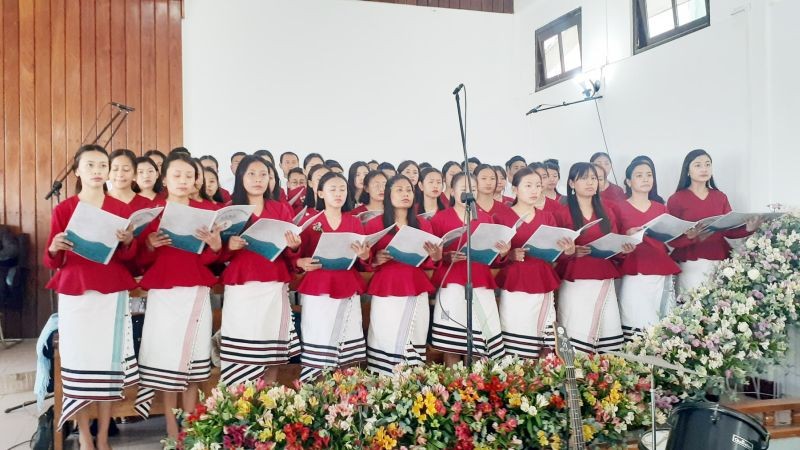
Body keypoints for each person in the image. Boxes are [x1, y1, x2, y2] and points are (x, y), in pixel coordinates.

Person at [45, 144, 139, 448]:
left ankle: (102, 436)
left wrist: (127, 242)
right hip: (76, 293)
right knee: (79, 365)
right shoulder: (64, 209)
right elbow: (52, 260)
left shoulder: (121, 209)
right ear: (78, 171)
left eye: (102, 165)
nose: (98, 171)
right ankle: (85, 436)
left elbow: (131, 258)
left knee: (108, 366)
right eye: (91, 165)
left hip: (111, 294)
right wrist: (55, 246)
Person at [134, 152, 223, 438]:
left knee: (194, 364)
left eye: (189, 176)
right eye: (177, 175)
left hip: (196, 292)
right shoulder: (152, 211)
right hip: (164, 294)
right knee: (166, 361)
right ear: (165, 179)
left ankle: (192, 429)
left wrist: (215, 245)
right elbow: (140, 261)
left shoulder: (207, 211)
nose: (184, 181)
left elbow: (210, 261)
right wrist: (148, 244)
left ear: (196, 179)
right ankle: (172, 432)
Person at [219, 155, 302, 385]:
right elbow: (217, 254)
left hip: (274, 285)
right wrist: (229, 246)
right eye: (251, 174)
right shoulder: (230, 210)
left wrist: (294, 246)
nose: (258, 179)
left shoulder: (280, 208)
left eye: (263, 174)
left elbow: (289, 253)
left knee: (271, 349)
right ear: (240, 178)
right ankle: (240, 409)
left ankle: (268, 404)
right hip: (242, 287)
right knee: (242, 349)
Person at [293, 172, 371, 381]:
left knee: (347, 345)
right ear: (320, 193)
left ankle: (347, 402)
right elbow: (297, 258)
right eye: (332, 189)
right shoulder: (310, 222)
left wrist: (364, 255)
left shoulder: (354, 222)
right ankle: (317, 399)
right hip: (318, 290)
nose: (338, 193)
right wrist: (300, 262)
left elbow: (363, 260)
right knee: (319, 340)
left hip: (347, 286)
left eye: (342, 189)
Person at [364, 175, 442, 375]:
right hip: (386, 289)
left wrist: (435, 256)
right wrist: (375, 259)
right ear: (388, 194)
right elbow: (365, 261)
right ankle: (383, 389)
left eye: (408, 189)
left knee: (414, 337)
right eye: (399, 190)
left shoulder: (424, 225)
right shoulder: (374, 225)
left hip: (415, 288)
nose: (405, 194)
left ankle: (412, 393)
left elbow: (429, 262)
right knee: (385, 337)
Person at [554, 162, 634, 354]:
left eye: (594, 178)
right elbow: (555, 252)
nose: (590, 182)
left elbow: (614, 242)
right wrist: (570, 251)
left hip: (603, 275)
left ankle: (607, 378)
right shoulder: (560, 213)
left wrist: (624, 247)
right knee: (577, 328)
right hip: (576, 279)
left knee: (608, 330)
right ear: (572, 183)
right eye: (583, 178)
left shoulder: (608, 209)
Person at [430, 172, 509, 365]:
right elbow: (433, 255)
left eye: (472, 190)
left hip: (480, 281)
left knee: (478, 341)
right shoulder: (439, 219)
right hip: (452, 283)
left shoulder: (486, 219)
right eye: (463, 189)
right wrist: (445, 257)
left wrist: (502, 253)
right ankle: (454, 386)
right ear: (451, 192)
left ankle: (475, 386)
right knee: (452, 343)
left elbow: (493, 259)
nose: (468, 193)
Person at [494, 168, 573, 359]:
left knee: (545, 339)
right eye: (528, 186)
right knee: (516, 333)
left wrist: (567, 250)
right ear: (514, 190)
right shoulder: (502, 218)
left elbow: (556, 254)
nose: (534, 190)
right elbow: (493, 257)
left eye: (538, 186)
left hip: (543, 280)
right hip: (515, 283)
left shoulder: (547, 217)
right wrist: (509, 254)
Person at [667, 149, 761, 293]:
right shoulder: (676, 199)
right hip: (691, 264)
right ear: (687, 171)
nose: (704, 169)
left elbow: (729, 230)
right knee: (691, 307)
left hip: (719, 261)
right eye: (698, 165)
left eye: (707, 164)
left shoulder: (720, 197)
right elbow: (671, 239)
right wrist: (690, 237)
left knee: (718, 308)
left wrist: (749, 228)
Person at [617, 159, 681, 341]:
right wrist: (627, 234)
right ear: (629, 182)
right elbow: (614, 240)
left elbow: (670, 239)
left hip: (660, 271)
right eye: (639, 175)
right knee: (633, 318)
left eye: (649, 175)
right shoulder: (619, 207)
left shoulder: (661, 208)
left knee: (660, 323)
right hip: (634, 272)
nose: (645, 179)